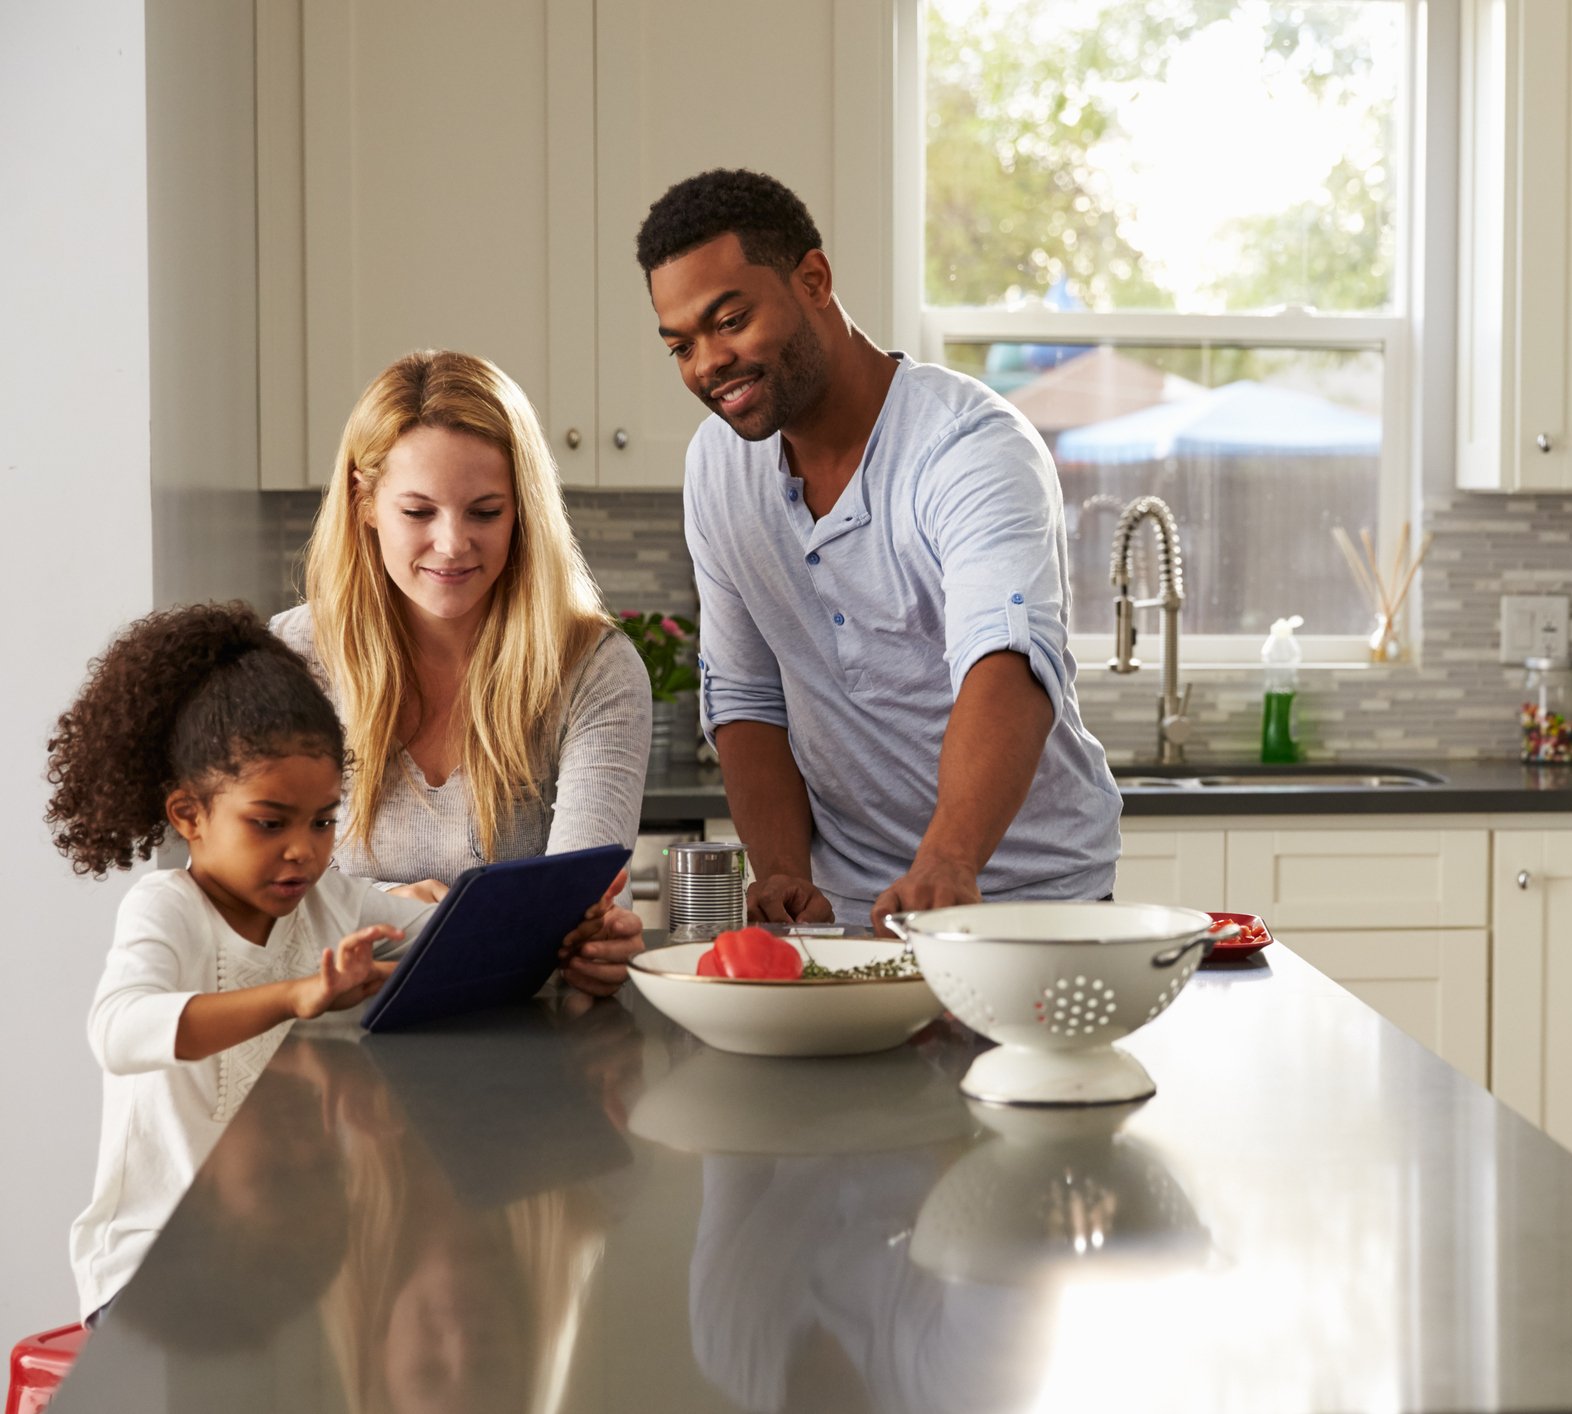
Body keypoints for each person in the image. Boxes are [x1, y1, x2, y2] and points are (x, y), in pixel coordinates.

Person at [43, 603, 633, 1323]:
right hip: (155, 1260)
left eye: (324, 821)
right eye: (269, 823)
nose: (304, 850)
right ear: (189, 816)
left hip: (279, 1251)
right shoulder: (165, 909)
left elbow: (459, 935)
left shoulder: (331, 900)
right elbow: (118, 1030)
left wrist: (569, 934)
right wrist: (296, 996)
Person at [637, 169, 1122, 928]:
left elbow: (1005, 662)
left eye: (729, 321)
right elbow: (745, 695)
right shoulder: (717, 467)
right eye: (680, 346)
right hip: (845, 911)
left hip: (1026, 902)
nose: (707, 365)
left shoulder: (967, 447)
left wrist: (948, 860)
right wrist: (787, 876)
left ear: (814, 279)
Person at [274, 349, 648, 994]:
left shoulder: (595, 669)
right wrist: (393, 903)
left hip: (525, 1036)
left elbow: (572, 900)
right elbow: (253, 886)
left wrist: (598, 939)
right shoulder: (292, 658)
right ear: (365, 503)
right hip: (323, 1025)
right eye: (418, 512)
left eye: (485, 511)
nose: (452, 544)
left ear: (523, 511)